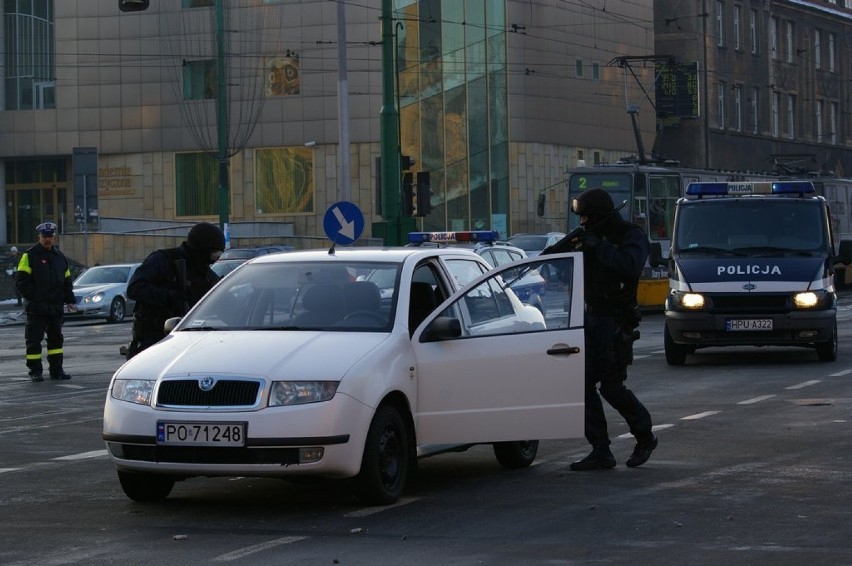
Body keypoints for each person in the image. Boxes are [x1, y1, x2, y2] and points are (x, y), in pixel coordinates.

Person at [542, 188, 657, 471]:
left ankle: (644, 436)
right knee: (580, 384)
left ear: (602, 217)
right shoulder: (586, 237)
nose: (582, 223)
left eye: (587, 217)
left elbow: (629, 267)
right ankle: (600, 450)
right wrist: (560, 256)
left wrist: (598, 246)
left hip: (616, 321)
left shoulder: (631, 236)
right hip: (591, 319)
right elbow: (563, 272)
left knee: (611, 386)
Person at [125, 222, 225, 359]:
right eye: (214, 254)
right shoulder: (163, 260)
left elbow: (221, 304)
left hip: (190, 343)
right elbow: (134, 288)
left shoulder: (205, 275)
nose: (216, 259)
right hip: (153, 342)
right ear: (202, 249)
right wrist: (171, 296)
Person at [14, 222, 78, 382]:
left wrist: (70, 300)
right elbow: (21, 281)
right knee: (34, 342)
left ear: (54, 238)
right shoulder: (30, 255)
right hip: (37, 308)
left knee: (56, 342)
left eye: (50, 237)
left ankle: (57, 371)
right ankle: (35, 372)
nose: (47, 239)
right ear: (39, 237)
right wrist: (34, 297)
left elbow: (67, 281)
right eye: (44, 237)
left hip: (55, 308)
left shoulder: (60, 257)